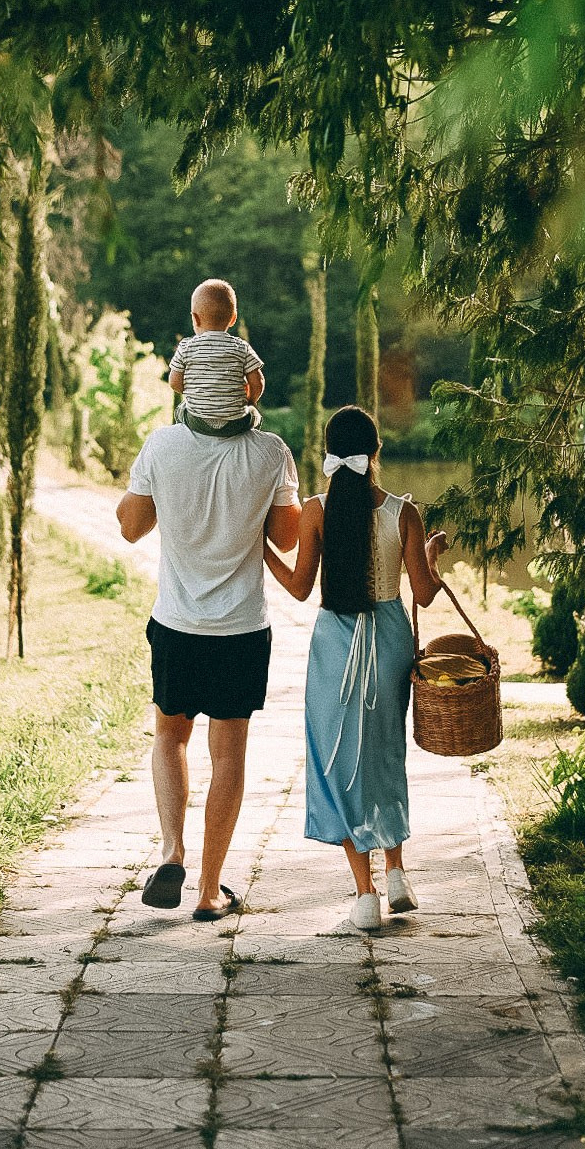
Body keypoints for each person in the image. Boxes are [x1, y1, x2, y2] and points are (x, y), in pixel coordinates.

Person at [263, 405, 447, 929]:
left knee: (338, 761)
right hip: (390, 640)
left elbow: (300, 588)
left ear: (329, 453)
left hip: (335, 645)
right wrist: (431, 554)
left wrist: (262, 549)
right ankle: (397, 873)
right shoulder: (403, 512)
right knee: (386, 753)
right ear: (376, 452)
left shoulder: (315, 510)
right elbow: (424, 594)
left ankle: (365, 896)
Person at [116, 410, 301, 919]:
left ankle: (172, 851)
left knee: (170, 737)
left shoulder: (162, 445)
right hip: (240, 630)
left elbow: (130, 527)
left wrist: (161, 493)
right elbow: (287, 538)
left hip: (177, 625)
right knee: (229, 756)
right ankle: (208, 890)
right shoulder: (271, 452)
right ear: (247, 386)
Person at [168, 277, 265, 435]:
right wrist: (250, 401)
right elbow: (258, 382)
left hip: (197, 422)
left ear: (195, 318)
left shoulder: (186, 346)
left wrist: (196, 391)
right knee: (254, 414)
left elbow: (174, 383)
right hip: (235, 423)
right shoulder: (241, 347)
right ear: (233, 319)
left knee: (180, 410)